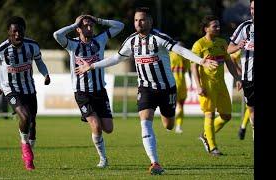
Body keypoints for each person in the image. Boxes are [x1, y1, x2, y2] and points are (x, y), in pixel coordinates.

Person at [75, 7, 218, 175]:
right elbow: (116, 58)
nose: (138, 23)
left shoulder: (159, 38)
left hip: (167, 89)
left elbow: (180, 50)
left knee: (169, 125)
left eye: (142, 20)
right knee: (145, 122)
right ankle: (154, 162)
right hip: (146, 88)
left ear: (150, 21)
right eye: (136, 20)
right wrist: (91, 66)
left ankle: (167, 127)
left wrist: (201, 61)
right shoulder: (132, 41)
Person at [53, 14, 124, 168]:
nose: (90, 28)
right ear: (78, 29)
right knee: (96, 125)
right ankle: (103, 159)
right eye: (86, 25)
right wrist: (74, 24)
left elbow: (120, 26)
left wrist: (99, 20)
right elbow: (56, 35)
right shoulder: (72, 45)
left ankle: (102, 154)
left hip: (100, 91)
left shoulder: (100, 40)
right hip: (82, 93)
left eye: (91, 25)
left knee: (109, 129)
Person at [0, 16, 51, 170]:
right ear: (8, 32)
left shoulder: (32, 46)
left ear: (24, 31)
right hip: (10, 89)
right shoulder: (1, 50)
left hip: (29, 88)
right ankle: (25, 148)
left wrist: (46, 74)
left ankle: (28, 153)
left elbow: (39, 61)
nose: (17, 35)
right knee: (25, 117)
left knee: (32, 124)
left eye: (20, 31)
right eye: (14, 32)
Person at [191, 15, 241, 156]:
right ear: (206, 28)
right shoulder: (199, 44)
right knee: (210, 114)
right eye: (215, 26)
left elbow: (229, 62)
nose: (218, 28)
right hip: (207, 85)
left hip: (221, 84)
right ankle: (213, 148)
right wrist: (198, 85)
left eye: (218, 25)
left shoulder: (222, 42)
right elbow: (193, 66)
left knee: (226, 116)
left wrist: (237, 78)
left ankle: (206, 135)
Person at [227, 0, 254, 140]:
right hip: (249, 78)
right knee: (252, 114)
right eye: (252, 8)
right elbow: (229, 49)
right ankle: (244, 128)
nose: (253, 11)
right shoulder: (245, 27)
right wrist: (238, 46)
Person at [169, 41, 191, 134]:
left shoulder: (169, 54)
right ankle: (178, 126)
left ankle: (169, 125)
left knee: (171, 106)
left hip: (171, 82)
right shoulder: (184, 56)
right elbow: (187, 70)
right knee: (181, 105)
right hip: (182, 82)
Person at [230, 50, 251, 140]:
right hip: (249, 79)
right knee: (251, 105)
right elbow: (232, 57)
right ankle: (243, 127)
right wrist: (241, 71)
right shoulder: (247, 42)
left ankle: (242, 127)